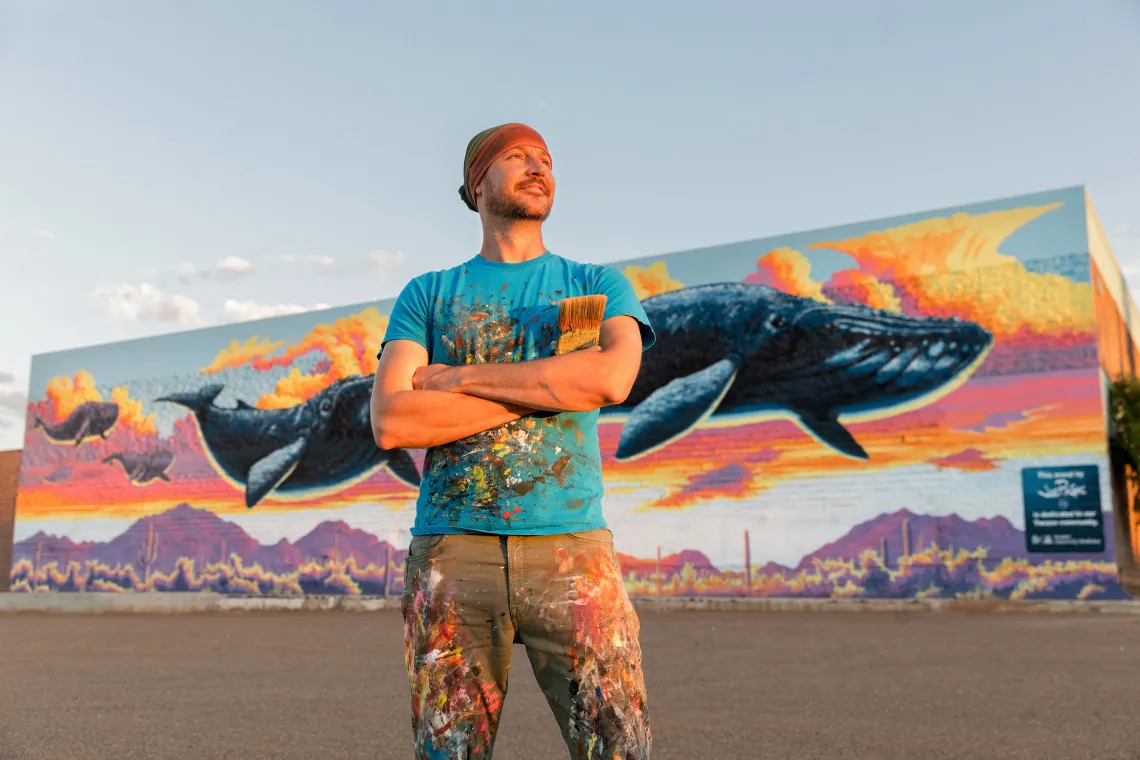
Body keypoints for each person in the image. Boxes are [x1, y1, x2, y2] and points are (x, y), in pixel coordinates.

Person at [370, 122, 656, 759]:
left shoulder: (597, 284)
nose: (538, 167)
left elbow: (610, 378)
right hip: (451, 554)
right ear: (476, 183)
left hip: (572, 551)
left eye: (546, 159)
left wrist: (457, 378)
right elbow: (394, 422)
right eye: (517, 156)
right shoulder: (428, 294)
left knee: (618, 749)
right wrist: (551, 384)